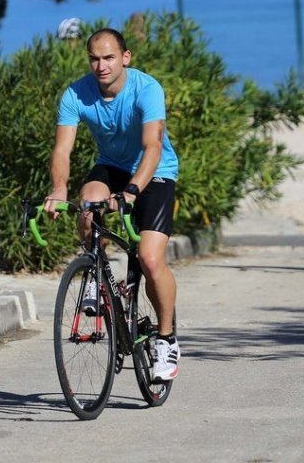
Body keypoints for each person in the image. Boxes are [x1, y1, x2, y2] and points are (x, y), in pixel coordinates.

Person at [44, 28, 181, 381]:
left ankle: (166, 339)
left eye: (108, 57)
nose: (101, 65)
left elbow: (152, 146)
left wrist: (133, 190)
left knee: (150, 259)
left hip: (154, 172)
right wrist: (59, 188)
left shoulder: (147, 89)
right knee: (88, 201)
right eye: (94, 58)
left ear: (125, 57)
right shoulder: (76, 94)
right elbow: (62, 149)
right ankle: (95, 273)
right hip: (112, 166)